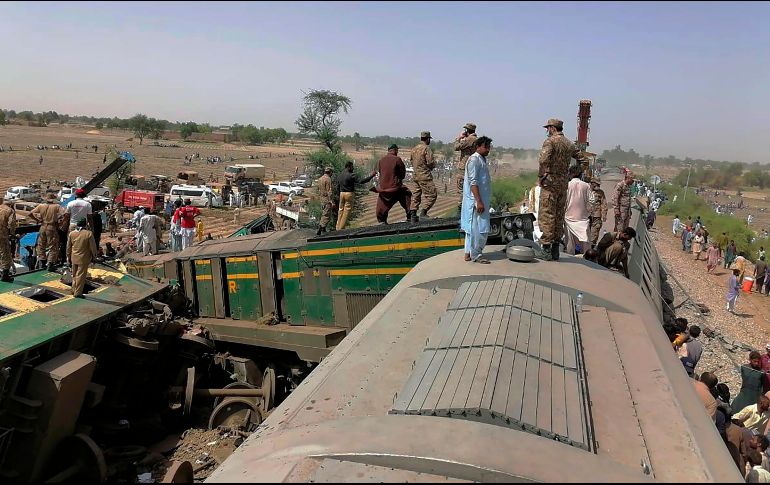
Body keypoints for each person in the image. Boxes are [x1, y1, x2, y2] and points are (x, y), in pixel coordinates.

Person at [534, 118, 588, 261]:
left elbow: (543, 160)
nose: (547, 131)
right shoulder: (569, 144)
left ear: (552, 128)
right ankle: (555, 251)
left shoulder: (550, 141)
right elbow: (584, 160)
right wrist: (571, 173)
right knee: (558, 216)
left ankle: (546, 250)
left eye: (548, 128)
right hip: (563, 184)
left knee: (547, 215)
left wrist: (542, 176)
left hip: (550, 184)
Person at [460, 136, 493, 264]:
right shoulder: (474, 160)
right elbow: (473, 183)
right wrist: (478, 201)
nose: (488, 150)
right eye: (486, 147)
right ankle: (477, 254)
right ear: (478, 147)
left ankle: (468, 253)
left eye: (489, 147)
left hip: (480, 200)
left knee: (472, 229)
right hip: (476, 202)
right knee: (480, 228)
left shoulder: (481, 159)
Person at [370, 144, 412, 224]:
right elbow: (402, 174)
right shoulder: (397, 159)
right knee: (407, 193)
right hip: (395, 187)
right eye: (397, 150)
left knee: (381, 205)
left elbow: (380, 172)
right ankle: (410, 215)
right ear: (395, 150)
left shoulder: (381, 160)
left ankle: (382, 220)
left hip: (383, 188)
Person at [335, 161, 375, 230]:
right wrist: (371, 176)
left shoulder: (340, 175)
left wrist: (339, 194)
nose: (353, 168)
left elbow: (337, 186)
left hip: (341, 193)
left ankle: (337, 226)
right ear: (349, 167)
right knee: (347, 211)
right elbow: (361, 181)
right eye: (352, 167)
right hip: (349, 194)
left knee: (340, 210)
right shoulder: (351, 175)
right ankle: (340, 228)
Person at [29, 193, 62, 271]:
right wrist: (59, 221)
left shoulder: (41, 206)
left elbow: (30, 213)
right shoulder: (57, 206)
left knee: (41, 245)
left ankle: (42, 262)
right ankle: (50, 263)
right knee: (53, 246)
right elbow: (65, 213)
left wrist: (37, 220)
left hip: (43, 226)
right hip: (52, 227)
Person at [409, 131, 436, 222]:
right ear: (428, 139)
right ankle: (423, 213)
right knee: (432, 195)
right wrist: (431, 167)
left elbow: (411, 161)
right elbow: (430, 162)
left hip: (416, 176)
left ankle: (413, 215)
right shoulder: (426, 149)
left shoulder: (414, 149)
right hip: (425, 176)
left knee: (416, 196)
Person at [66, 218, 97, 298]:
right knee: (81, 276)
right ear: (86, 224)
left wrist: (68, 257)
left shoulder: (72, 233)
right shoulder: (88, 234)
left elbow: (68, 247)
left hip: (74, 257)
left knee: (74, 274)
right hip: (84, 258)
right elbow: (93, 247)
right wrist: (94, 257)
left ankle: (73, 290)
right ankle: (78, 293)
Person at [564, 164, 590, 255]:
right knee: (585, 243)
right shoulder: (586, 186)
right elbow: (592, 201)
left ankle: (571, 261)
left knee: (570, 243)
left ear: (570, 174)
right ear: (580, 175)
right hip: (583, 219)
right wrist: (587, 212)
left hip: (568, 218)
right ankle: (586, 259)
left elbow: (564, 201)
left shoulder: (567, 185)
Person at [453, 123, 478, 208]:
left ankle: (460, 210)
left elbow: (456, 147)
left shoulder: (470, 139)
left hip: (464, 168)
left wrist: (459, 138)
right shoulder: (477, 139)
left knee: (462, 190)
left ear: (467, 130)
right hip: (472, 167)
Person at [587, 177, 607, 247]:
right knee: (585, 230)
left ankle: (592, 245)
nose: (598, 186)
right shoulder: (586, 190)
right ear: (592, 183)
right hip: (586, 214)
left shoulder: (600, 193)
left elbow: (604, 204)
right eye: (597, 184)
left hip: (596, 215)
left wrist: (604, 214)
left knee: (595, 230)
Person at [0, 196, 16, 282]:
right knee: (5, 253)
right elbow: (11, 224)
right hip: (2, 236)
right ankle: (5, 275)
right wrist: (12, 234)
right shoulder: (10, 211)